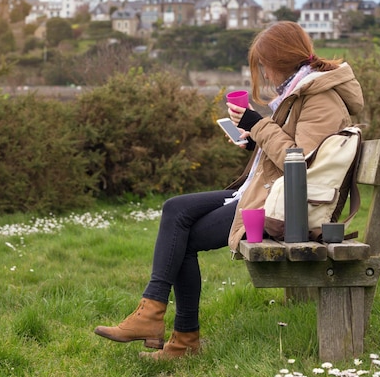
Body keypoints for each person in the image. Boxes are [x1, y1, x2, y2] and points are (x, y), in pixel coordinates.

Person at [93, 21, 365, 360]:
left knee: (183, 238)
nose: (263, 73)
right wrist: (255, 142)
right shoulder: (300, 91)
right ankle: (155, 316)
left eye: (263, 64)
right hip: (265, 191)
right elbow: (288, 152)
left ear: (279, 60)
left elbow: (300, 163)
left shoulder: (320, 97)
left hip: (286, 207)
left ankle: (179, 338)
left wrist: (257, 124)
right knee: (175, 208)